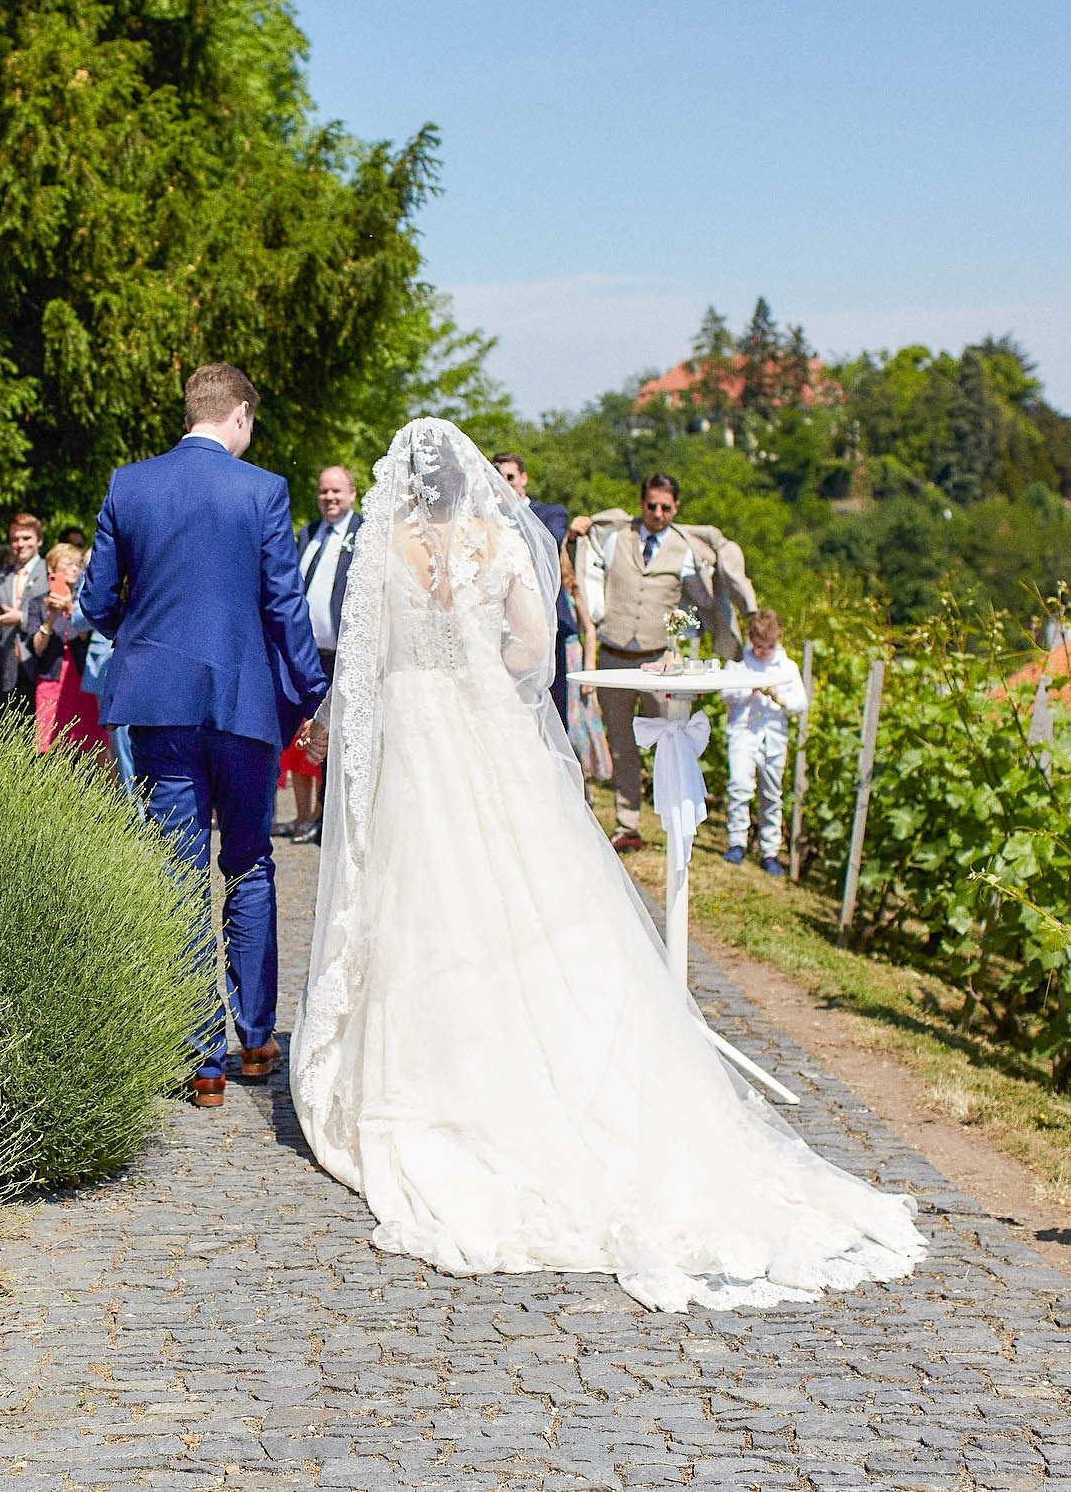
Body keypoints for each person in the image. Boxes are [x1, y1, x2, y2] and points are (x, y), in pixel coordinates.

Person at [289, 418, 922, 1310]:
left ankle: (417, 1076)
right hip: (481, 729)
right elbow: (533, 654)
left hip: (412, 732)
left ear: (404, 485)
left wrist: (382, 700)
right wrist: (475, 674)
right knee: (520, 896)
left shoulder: (385, 547)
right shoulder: (500, 538)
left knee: (418, 897)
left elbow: (359, 663)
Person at [78, 363, 328, 1108]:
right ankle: (255, 1038)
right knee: (248, 864)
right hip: (244, 704)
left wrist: (150, 641)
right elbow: (285, 609)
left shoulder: (130, 484)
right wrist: (316, 692)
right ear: (241, 413)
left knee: (178, 872)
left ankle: (200, 1058)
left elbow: (95, 600)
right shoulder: (263, 490)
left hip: (159, 705)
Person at [568, 473, 756, 851]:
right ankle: (627, 824)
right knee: (622, 744)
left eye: (665, 507)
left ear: (676, 508)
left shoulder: (685, 551)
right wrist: (575, 534)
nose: (657, 513)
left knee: (671, 740)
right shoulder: (616, 537)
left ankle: (676, 820)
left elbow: (704, 599)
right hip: (613, 653)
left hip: (658, 659)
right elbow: (584, 569)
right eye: (651, 505)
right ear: (641, 504)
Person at [282, 464, 362, 843]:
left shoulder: (365, 535)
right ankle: (315, 817)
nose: (329, 498)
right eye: (323, 492)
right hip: (309, 655)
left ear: (353, 493)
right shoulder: (308, 534)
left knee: (343, 737)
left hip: (347, 655)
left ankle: (334, 821)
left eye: (336, 491)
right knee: (311, 736)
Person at [490, 453, 579, 730]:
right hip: (502, 631)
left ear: (524, 478)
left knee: (553, 709)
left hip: (547, 626)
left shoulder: (551, 513)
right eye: (498, 478)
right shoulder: (486, 521)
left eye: (510, 477)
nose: (505, 483)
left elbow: (547, 543)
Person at [722, 607, 807, 877]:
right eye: (758, 646)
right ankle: (737, 841)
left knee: (771, 793)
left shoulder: (787, 667)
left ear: (778, 639)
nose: (762, 652)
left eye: (768, 646)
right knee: (739, 785)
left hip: (773, 735)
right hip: (743, 731)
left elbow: (800, 704)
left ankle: (770, 851)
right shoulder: (740, 662)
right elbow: (725, 692)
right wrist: (747, 688)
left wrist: (777, 696)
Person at [28, 542, 108, 756]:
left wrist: (70, 608)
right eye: (68, 564)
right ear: (51, 569)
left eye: (78, 564)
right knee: (53, 745)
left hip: (83, 681)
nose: (75, 568)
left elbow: (86, 633)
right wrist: (50, 619)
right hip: (51, 680)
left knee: (96, 743)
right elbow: (36, 648)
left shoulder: (86, 603)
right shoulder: (38, 602)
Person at [0, 512, 48, 709]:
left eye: (26, 538)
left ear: (40, 541)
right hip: (8, 665)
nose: (20, 544)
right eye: (15, 539)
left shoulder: (50, 572)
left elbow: (61, 618)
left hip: (43, 664)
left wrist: (22, 619)